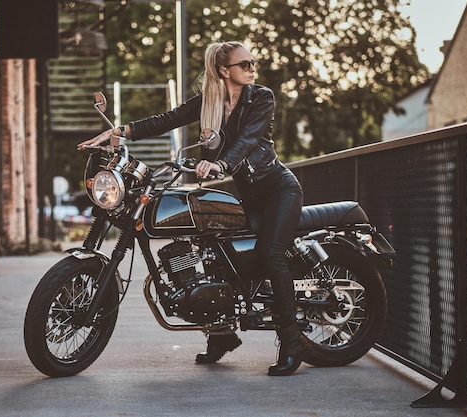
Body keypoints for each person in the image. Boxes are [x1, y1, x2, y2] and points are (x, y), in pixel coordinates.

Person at [77, 41, 311, 376]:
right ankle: (221, 334)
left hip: (278, 189)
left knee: (272, 254)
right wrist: (119, 132)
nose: (251, 68)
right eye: (244, 64)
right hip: (248, 196)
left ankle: (292, 341)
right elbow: (166, 120)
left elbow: (248, 139)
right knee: (210, 249)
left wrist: (221, 164)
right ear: (223, 70)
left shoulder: (261, 97)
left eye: (252, 62)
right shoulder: (208, 104)